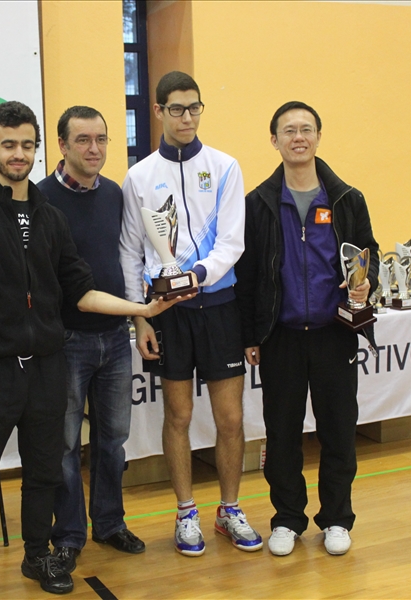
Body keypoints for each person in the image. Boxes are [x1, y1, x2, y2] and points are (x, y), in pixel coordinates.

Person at [0, 101, 188, 600]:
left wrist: (143, 309)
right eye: (9, 145)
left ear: (37, 149)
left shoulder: (49, 217)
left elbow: (83, 292)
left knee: (44, 475)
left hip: (48, 368)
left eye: (26, 145)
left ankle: (37, 557)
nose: (18, 154)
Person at [119, 71, 262, 557]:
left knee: (230, 417)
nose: (187, 117)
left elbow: (233, 241)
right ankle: (185, 513)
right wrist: (141, 317)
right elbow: (130, 252)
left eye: (194, 108)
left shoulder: (224, 167)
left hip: (219, 307)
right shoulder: (139, 177)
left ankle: (229, 509)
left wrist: (198, 274)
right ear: (158, 111)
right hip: (168, 315)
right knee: (178, 415)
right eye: (177, 109)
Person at [235, 101, 379, 558]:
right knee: (281, 434)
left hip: (335, 334)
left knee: (339, 431)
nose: (298, 137)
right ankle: (287, 519)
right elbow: (248, 275)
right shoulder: (257, 204)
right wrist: (251, 335)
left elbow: (368, 254)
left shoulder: (347, 198)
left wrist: (365, 282)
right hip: (281, 337)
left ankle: (336, 518)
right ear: (274, 140)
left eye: (306, 129)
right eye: (289, 130)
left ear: (318, 136)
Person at [37, 106, 145, 573]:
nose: (94, 148)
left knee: (113, 440)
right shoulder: (40, 199)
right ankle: (68, 535)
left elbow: (127, 259)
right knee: (64, 447)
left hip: (116, 339)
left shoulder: (114, 194)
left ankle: (109, 522)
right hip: (66, 342)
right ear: (62, 145)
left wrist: (139, 319)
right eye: (83, 140)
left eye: (101, 139)